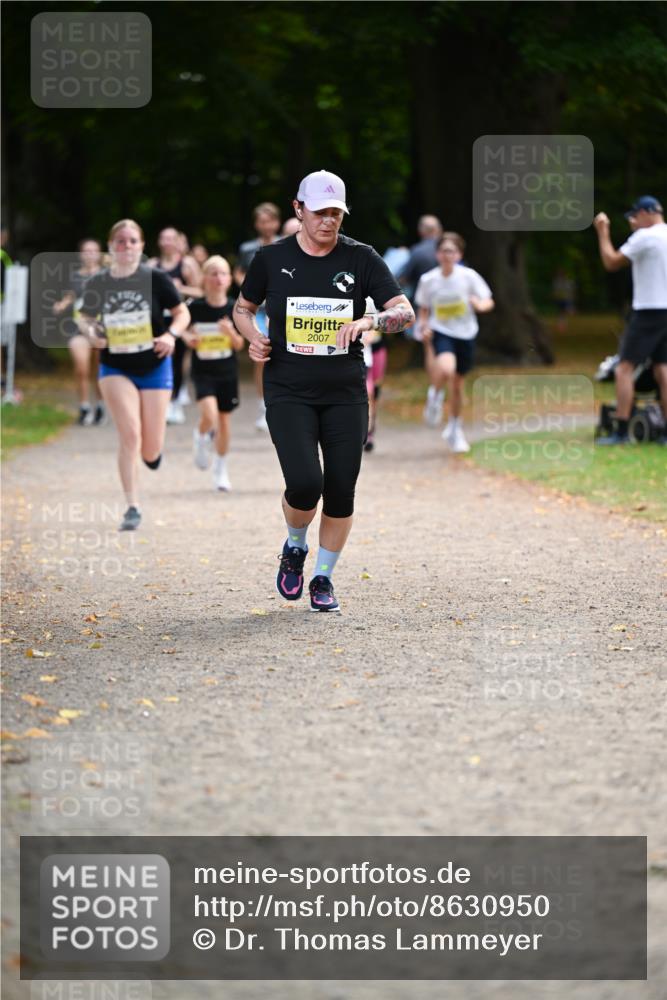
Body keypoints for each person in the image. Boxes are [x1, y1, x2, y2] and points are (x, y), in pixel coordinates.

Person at [233, 169, 414, 612]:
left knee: (341, 489)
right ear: (298, 210)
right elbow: (243, 307)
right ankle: (295, 545)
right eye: (320, 212)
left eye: (336, 213)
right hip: (288, 388)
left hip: (345, 392)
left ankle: (323, 578)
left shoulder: (362, 259)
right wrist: (252, 336)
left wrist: (370, 321)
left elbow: (404, 311)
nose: (328, 221)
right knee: (304, 483)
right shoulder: (270, 259)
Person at [78, 219, 190, 530]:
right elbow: (85, 317)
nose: (126, 247)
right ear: (111, 246)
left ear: (141, 246)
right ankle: (132, 506)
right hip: (115, 366)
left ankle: (153, 455)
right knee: (129, 434)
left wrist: (171, 336)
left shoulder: (155, 278)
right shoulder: (99, 282)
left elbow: (182, 313)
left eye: (132, 241)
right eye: (120, 241)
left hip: (155, 364)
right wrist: (92, 334)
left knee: (150, 447)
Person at [594, 195, 667, 445]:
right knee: (663, 370)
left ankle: (621, 431)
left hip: (648, 310)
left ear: (648, 212)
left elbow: (611, 261)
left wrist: (603, 232)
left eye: (635, 216)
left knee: (624, 368)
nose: (633, 222)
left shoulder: (645, 237)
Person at [415, 232, 494, 453]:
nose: (447, 255)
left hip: (466, 333)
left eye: (452, 251)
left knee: (458, 385)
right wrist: (423, 326)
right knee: (447, 368)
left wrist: (479, 305)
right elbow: (423, 308)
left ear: (459, 254)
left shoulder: (468, 277)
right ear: (437, 254)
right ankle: (435, 394)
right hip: (441, 331)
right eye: (443, 250)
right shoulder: (428, 280)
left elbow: (489, 301)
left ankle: (454, 429)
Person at [184, 256, 244, 491]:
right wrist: (189, 338)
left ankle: (220, 468)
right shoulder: (194, 307)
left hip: (227, 372)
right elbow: (182, 331)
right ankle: (200, 438)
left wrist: (229, 333)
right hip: (203, 372)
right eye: (213, 273)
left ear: (229, 279)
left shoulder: (234, 309)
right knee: (209, 416)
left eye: (223, 274)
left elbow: (239, 345)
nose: (218, 278)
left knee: (224, 421)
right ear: (204, 278)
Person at [234, 202, 282, 432]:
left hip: (281, 308)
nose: (266, 225)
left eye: (269, 220)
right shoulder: (248, 248)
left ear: (276, 222)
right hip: (258, 310)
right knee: (261, 351)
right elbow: (239, 272)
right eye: (261, 221)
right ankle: (264, 406)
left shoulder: (287, 244)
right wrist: (250, 291)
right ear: (256, 224)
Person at [150, 226, 203, 425]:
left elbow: (200, 292)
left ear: (177, 241)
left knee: (178, 360)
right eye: (163, 238)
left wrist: (181, 288)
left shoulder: (186, 264)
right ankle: (162, 403)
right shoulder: (152, 264)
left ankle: (175, 403)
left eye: (171, 238)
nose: (167, 242)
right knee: (159, 358)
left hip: (179, 318)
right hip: (156, 319)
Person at [52, 238, 105, 425]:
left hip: (101, 329)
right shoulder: (75, 276)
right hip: (79, 328)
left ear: (99, 254)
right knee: (81, 368)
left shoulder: (107, 275)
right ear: (80, 254)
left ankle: (100, 405)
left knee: (100, 370)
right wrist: (61, 305)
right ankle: (84, 406)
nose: (90, 254)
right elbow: (70, 296)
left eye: (93, 250)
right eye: (86, 251)